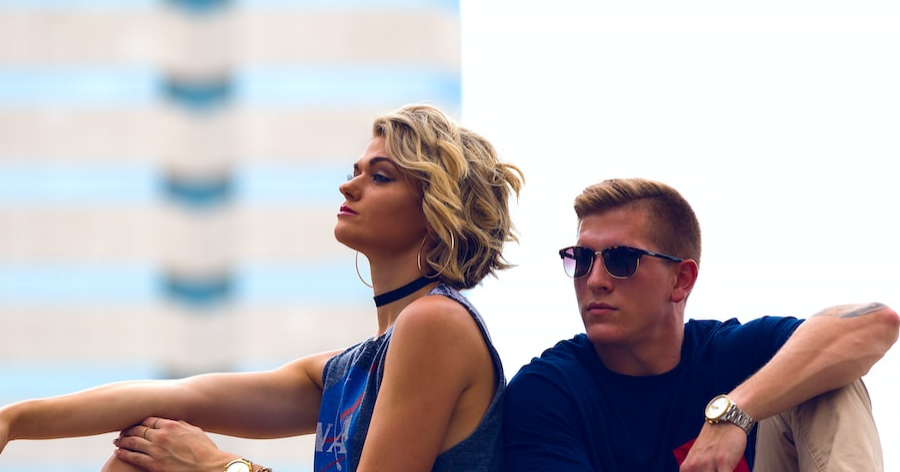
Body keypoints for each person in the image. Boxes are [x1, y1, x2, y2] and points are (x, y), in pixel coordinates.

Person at [0, 103, 524, 472]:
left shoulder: (437, 323)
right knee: (144, 449)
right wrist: (13, 421)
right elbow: (180, 396)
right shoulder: (351, 368)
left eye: (380, 176)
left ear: (436, 212)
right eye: (356, 171)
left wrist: (221, 466)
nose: (348, 185)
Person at [503, 177, 899, 471]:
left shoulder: (729, 352)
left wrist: (734, 413)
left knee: (828, 377)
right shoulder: (547, 393)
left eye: (621, 259)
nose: (595, 280)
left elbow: (877, 322)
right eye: (582, 259)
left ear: (681, 280)